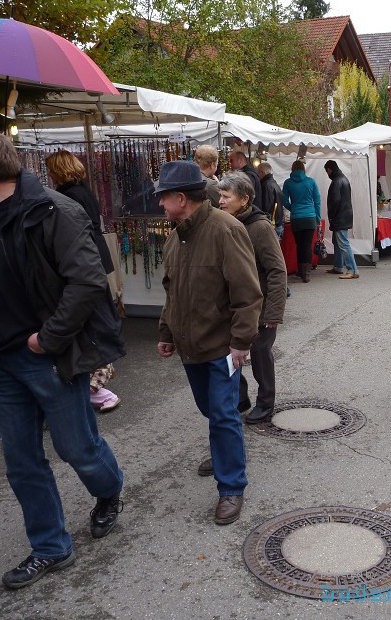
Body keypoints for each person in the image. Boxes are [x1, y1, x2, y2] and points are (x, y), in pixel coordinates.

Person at [0, 127, 125, 589]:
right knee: (21, 460)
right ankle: (51, 546)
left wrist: (47, 340)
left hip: (46, 358)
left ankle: (109, 491)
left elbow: (88, 282)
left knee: (76, 448)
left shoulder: (54, 211)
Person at [156, 161, 262, 526]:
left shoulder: (226, 229)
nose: (160, 205)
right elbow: (172, 291)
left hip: (221, 346)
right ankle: (223, 452)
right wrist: (166, 332)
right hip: (190, 345)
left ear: (181, 198)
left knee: (222, 413)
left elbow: (248, 294)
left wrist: (240, 342)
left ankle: (231, 486)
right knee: (211, 410)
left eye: (163, 198)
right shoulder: (175, 236)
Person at [45, 150, 120, 413]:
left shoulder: (68, 196)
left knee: (89, 314)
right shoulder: (83, 190)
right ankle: (98, 377)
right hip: (95, 253)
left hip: (85, 257)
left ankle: (95, 380)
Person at [218, 173, 287, 424]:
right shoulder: (226, 222)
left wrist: (274, 313)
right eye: (220, 196)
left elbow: (277, 270)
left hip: (261, 307)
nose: (221, 201)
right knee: (233, 354)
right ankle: (241, 397)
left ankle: (266, 403)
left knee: (260, 355)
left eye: (226, 196)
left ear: (244, 199)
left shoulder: (260, 227)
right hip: (237, 306)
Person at [282, 160, 321, 283]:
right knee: (307, 244)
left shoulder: (288, 183)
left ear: (292, 169)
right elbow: (317, 201)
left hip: (296, 218)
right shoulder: (311, 182)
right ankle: (307, 273)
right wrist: (318, 218)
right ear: (304, 169)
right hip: (310, 217)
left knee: (299, 244)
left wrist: (292, 208)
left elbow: (284, 200)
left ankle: (301, 270)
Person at [324, 160, 359, 280]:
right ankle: (338, 266)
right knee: (338, 243)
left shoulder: (336, 181)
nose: (327, 173)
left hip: (339, 217)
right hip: (345, 215)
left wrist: (332, 217)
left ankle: (352, 270)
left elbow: (334, 202)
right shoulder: (343, 179)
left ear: (329, 169)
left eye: (327, 171)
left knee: (343, 243)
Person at [257, 162, 284, 238]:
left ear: (261, 172)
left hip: (271, 224)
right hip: (277, 223)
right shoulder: (274, 184)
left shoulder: (266, 185)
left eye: (258, 172)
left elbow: (267, 207)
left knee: (269, 249)